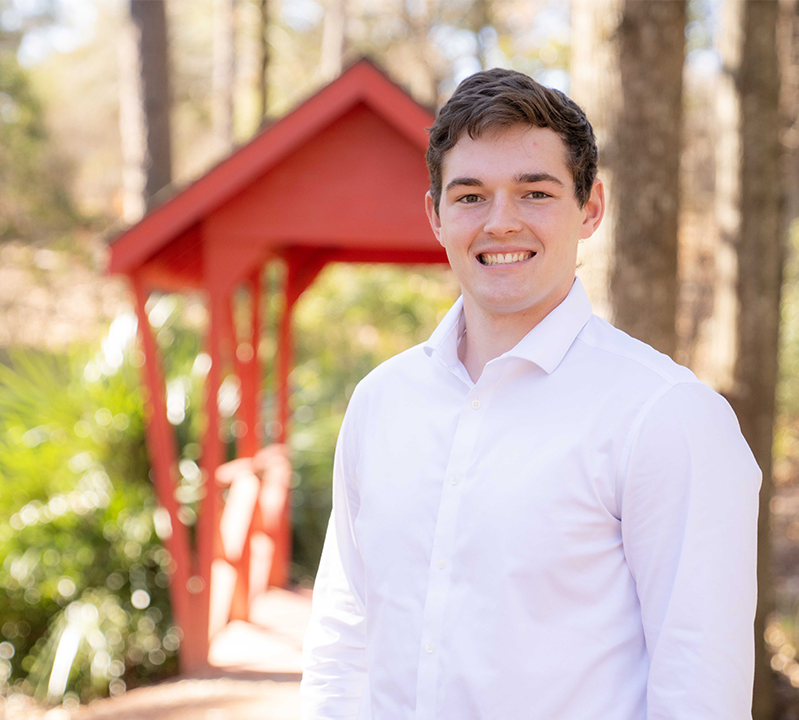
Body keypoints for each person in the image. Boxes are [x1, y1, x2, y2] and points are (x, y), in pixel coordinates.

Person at [300, 68, 762, 720]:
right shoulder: (381, 403)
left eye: (534, 192)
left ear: (591, 208)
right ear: (435, 215)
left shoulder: (667, 417)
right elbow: (343, 642)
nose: (501, 222)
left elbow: (700, 694)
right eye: (470, 197)